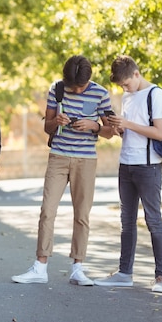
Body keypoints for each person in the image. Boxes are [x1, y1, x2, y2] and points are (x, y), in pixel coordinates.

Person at [11, 55, 112, 286]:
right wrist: (56, 121)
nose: (76, 90)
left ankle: (78, 267)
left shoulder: (100, 94)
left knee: (82, 215)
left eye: (81, 87)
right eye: (72, 86)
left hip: (86, 160)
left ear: (89, 80)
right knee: (47, 210)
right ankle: (40, 267)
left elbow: (110, 131)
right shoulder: (56, 89)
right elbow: (47, 126)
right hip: (58, 156)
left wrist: (94, 126)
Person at [94, 55, 162, 293]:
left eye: (126, 83)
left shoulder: (155, 94)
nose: (124, 88)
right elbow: (129, 132)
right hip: (125, 165)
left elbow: (159, 133)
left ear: (136, 74)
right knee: (127, 223)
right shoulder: (128, 96)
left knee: (153, 221)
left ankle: (161, 278)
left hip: (148, 167)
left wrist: (127, 124)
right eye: (121, 86)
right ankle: (125, 273)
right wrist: (118, 128)